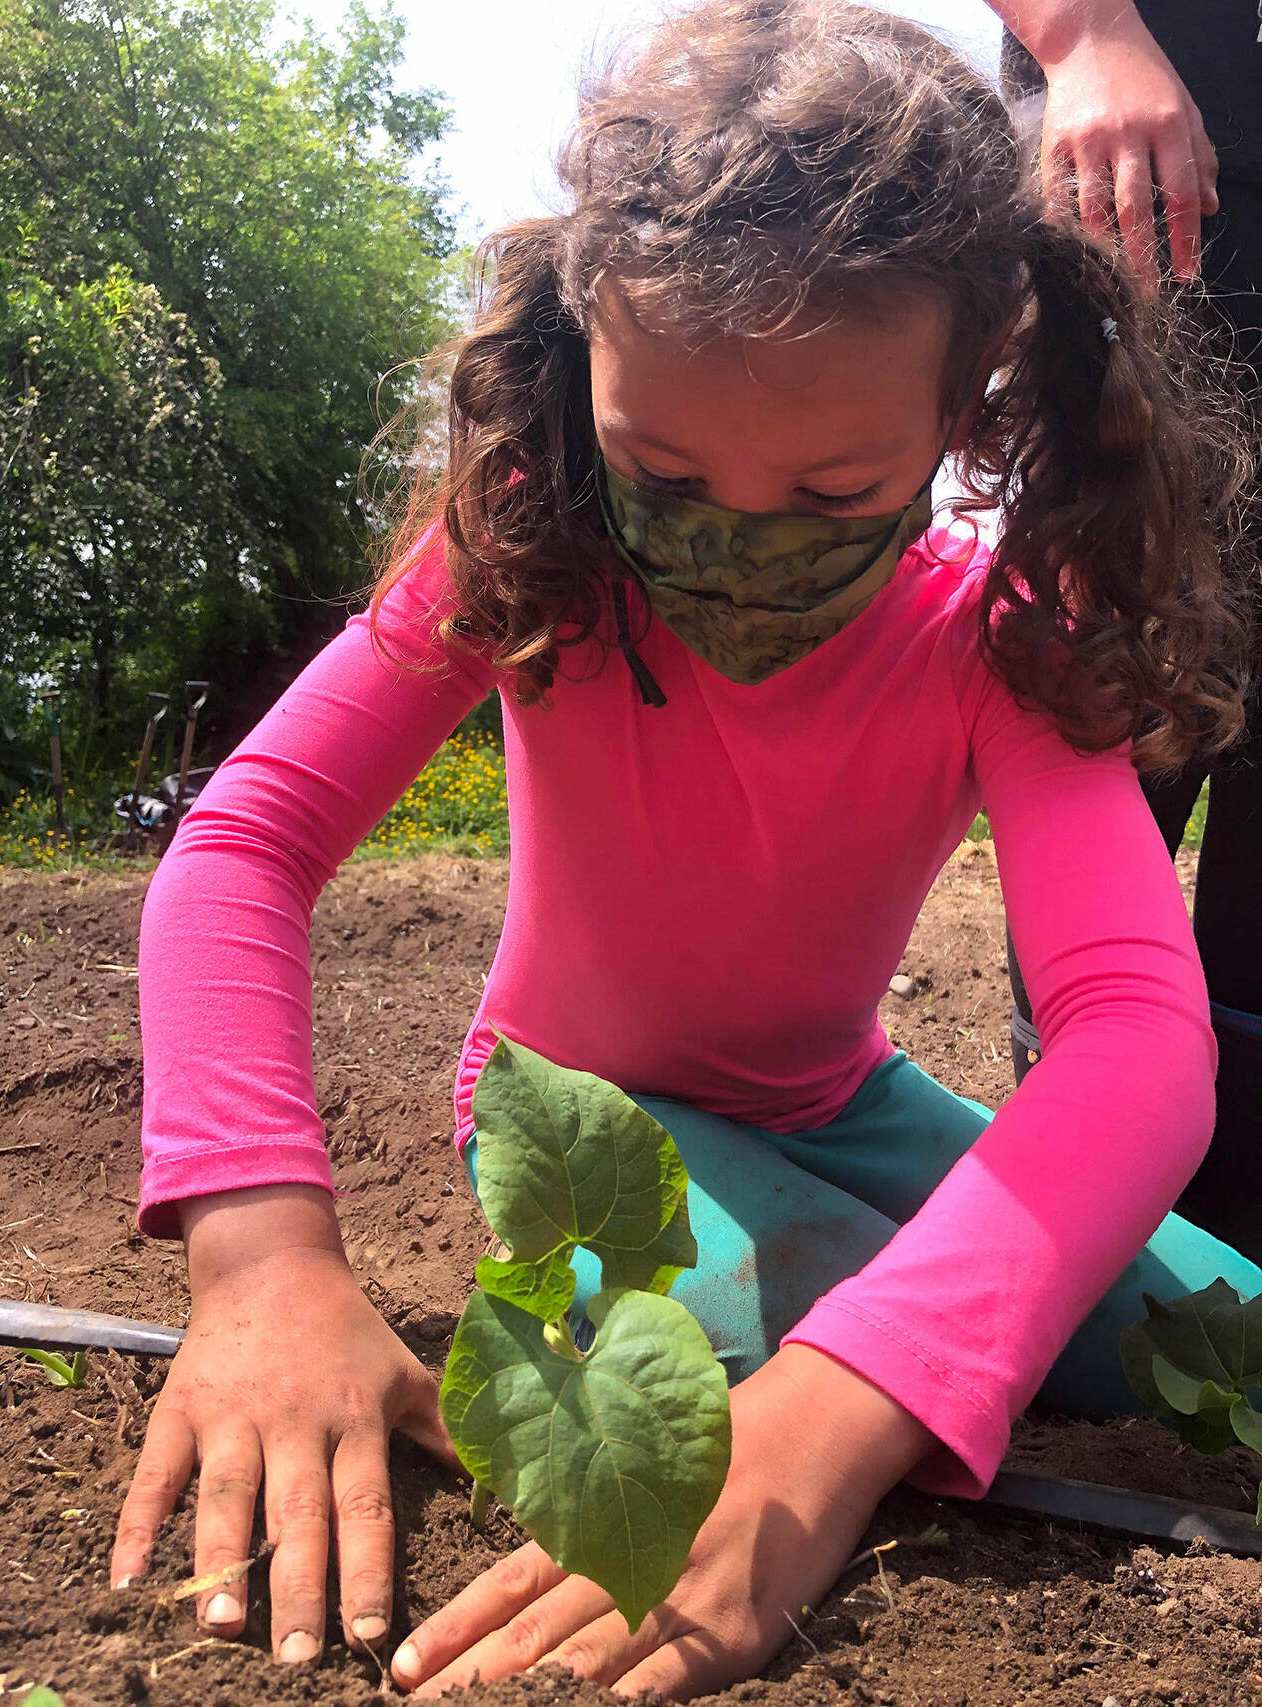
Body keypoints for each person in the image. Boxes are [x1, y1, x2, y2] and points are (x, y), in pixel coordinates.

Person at [111, 2, 1260, 1698]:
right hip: (571, 1112)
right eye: (663, 466)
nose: (733, 543)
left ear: (957, 420)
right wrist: (264, 1254)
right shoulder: (530, 548)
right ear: (584, 367)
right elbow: (250, 842)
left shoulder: (1003, 633)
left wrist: (849, 1408)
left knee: (1212, 1334)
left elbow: (1139, 1038)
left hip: (845, 1096)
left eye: (830, 491)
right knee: (796, 1313)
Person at [989, 0, 1262, 1262]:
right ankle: (1080, 1205)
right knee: (1119, 690)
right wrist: (1081, 29)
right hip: (1146, 176)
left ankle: (1231, 1242)